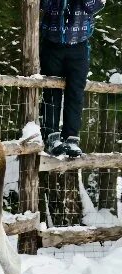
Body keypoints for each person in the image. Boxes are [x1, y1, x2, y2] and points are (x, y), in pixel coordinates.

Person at [40, 0, 106, 157]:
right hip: (52, 43)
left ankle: (71, 139)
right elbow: (43, 5)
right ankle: (52, 138)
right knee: (51, 91)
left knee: (75, 93)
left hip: (79, 45)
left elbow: (96, 6)